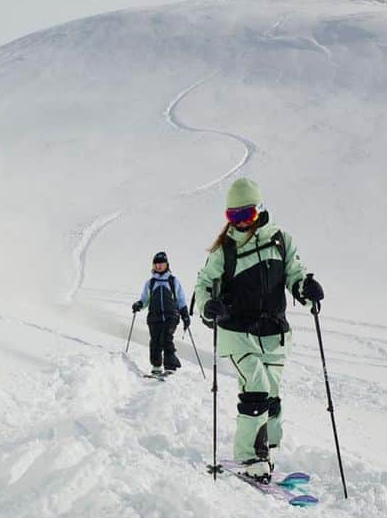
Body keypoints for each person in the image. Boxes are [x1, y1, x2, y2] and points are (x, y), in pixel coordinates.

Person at [194, 177, 324, 482]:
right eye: (233, 216)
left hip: (274, 335)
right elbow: (203, 285)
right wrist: (208, 305)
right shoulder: (224, 250)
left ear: (260, 210)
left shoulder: (281, 240)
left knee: (272, 393)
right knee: (256, 388)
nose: (240, 223)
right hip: (236, 331)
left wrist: (308, 289)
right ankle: (251, 456)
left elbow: (295, 274)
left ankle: (268, 447)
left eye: (246, 215)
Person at [132, 251, 190, 375]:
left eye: (161, 263)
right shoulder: (151, 283)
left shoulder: (173, 281)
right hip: (154, 317)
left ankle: (170, 367)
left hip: (171, 316)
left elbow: (180, 299)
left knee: (166, 338)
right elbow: (145, 299)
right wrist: (139, 304)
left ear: (166, 265)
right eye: (156, 264)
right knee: (155, 341)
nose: (158, 266)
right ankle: (156, 366)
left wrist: (185, 315)